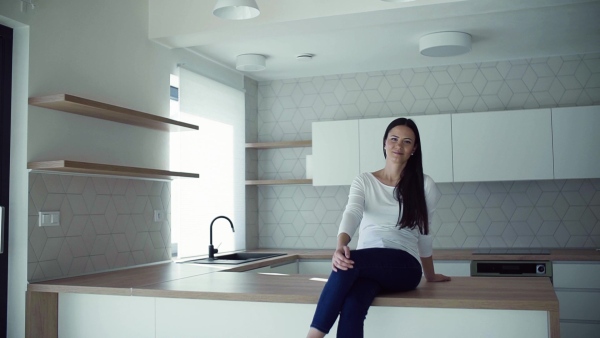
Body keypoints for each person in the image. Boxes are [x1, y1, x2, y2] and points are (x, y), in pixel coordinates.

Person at [306, 117, 451, 338]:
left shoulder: (425, 185)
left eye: (406, 141)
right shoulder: (364, 181)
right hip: (368, 265)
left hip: (405, 266)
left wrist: (429, 275)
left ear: (414, 149)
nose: (398, 145)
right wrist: (340, 245)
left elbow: (424, 233)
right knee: (353, 305)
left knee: (348, 264)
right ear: (384, 143)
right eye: (393, 139)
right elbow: (352, 212)